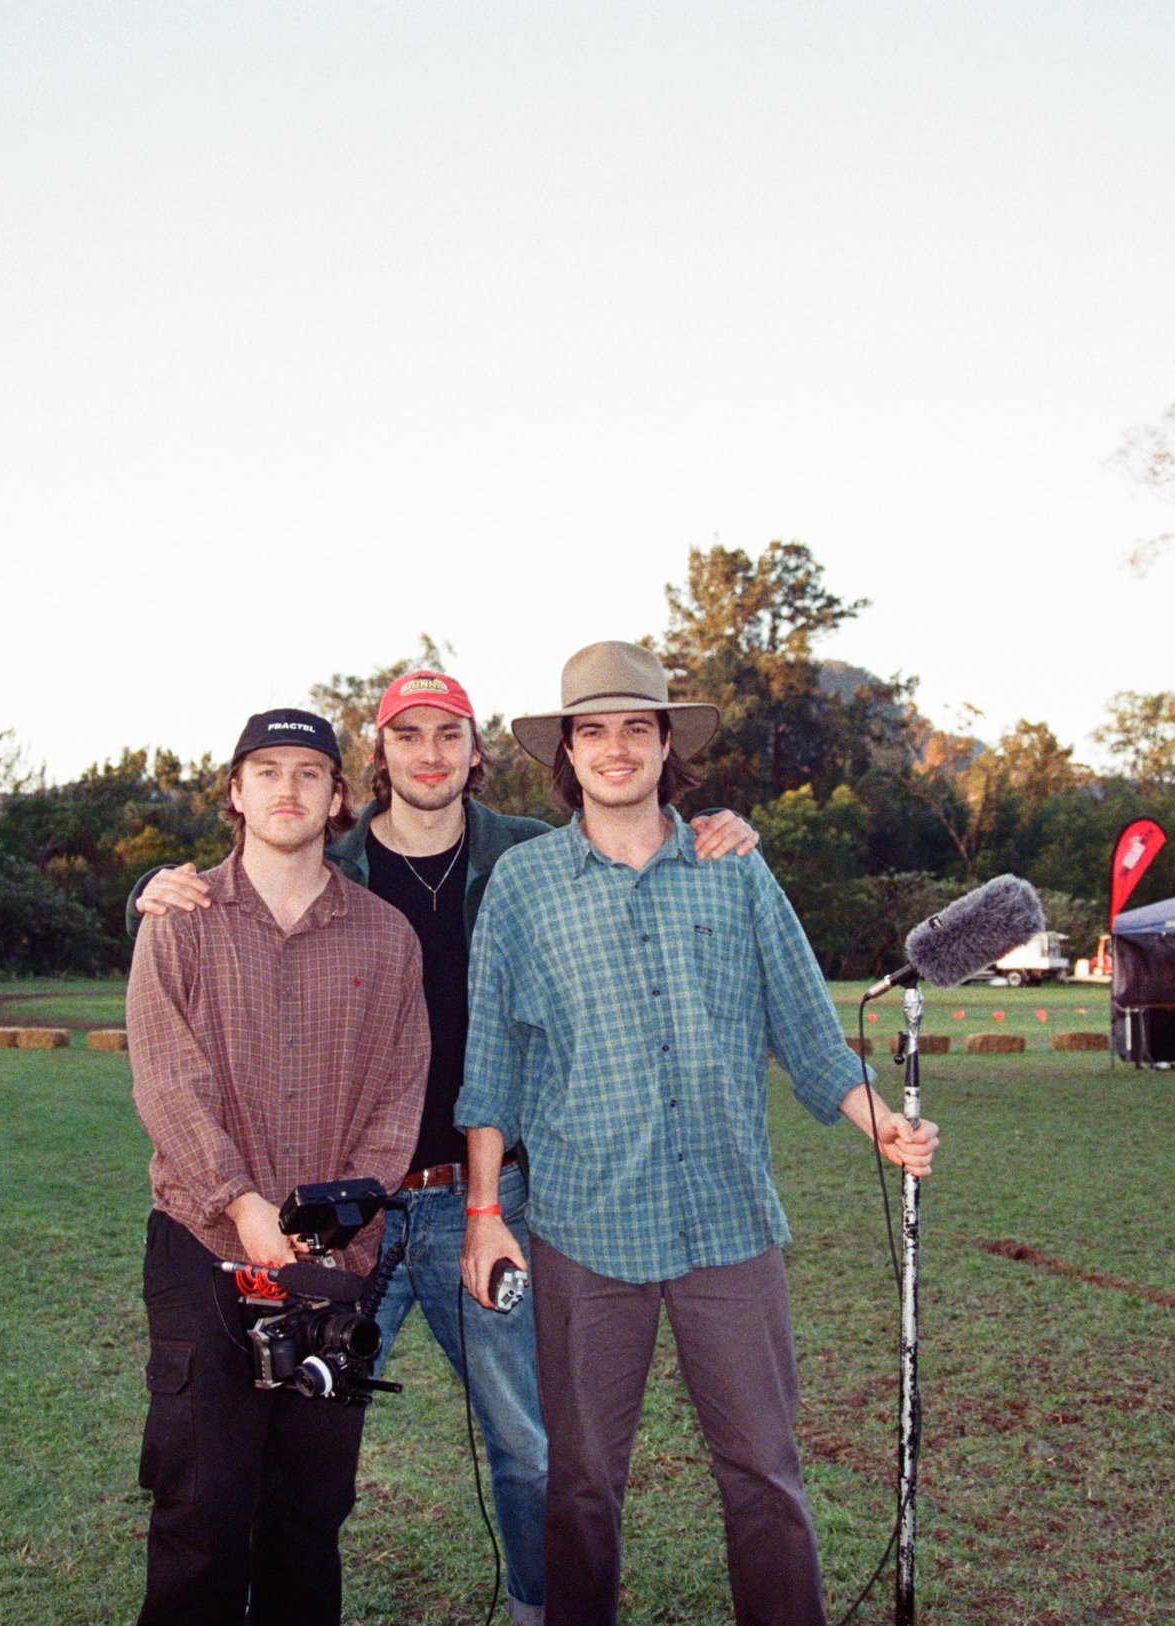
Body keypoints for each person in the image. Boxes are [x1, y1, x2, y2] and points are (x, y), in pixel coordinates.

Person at [133, 669, 760, 1624]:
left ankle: (542, 1608)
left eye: (449, 734)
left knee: (527, 1442)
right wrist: (146, 890)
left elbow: (634, 848)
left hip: (484, 1194)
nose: (429, 754)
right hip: (342, 1213)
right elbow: (227, 906)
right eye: (407, 735)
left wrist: (716, 831)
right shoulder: (333, 859)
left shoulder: (533, 855)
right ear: (375, 760)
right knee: (269, 1448)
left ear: (476, 754)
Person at [456, 640, 938, 1626]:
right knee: (582, 1482)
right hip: (583, 1224)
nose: (617, 747)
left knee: (764, 1470)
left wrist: (881, 1122)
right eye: (595, 730)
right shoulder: (523, 886)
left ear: (666, 742)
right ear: (568, 752)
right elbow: (492, 1065)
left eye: (637, 727)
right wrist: (482, 1213)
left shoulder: (734, 867)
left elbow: (806, 1027)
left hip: (728, 1220)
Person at [125, 707, 430, 1626]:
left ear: (339, 797)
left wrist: (336, 1222)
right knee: (203, 1512)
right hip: (205, 1247)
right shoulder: (180, 923)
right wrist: (242, 1203)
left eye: (309, 772)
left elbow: (399, 1094)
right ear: (236, 791)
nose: (287, 788)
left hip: (332, 1265)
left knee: (306, 1515)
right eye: (266, 770)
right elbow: (166, 1079)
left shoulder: (386, 937)